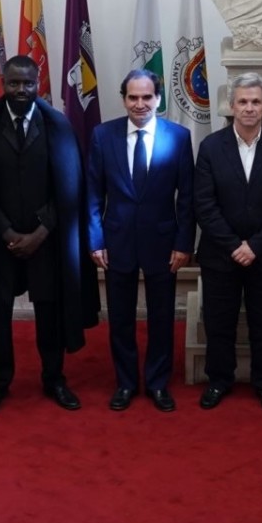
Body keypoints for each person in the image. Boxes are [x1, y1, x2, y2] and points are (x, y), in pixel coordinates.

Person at [0, 55, 101, 415]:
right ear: (3, 82)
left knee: (50, 310)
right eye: (14, 83)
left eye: (27, 84)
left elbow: (68, 185)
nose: (20, 90)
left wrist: (42, 230)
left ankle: (54, 378)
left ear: (38, 83)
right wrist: (6, 231)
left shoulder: (58, 126)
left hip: (46, 239)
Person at [87, 69, 195, 412]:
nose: (140, 104)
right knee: (120, 317)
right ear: (123, 99)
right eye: (133, 97)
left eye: (147, 97)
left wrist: (183, 244)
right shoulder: (103, 136)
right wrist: (95, 240)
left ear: (158, 99)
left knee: (162, 317)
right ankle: (126, 383)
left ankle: (159, 383)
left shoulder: (178, 137)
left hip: (163, 243)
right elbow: (92, 195)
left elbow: (187, 198)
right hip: (116, 242)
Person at [192, 72, 262, 413]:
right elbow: (204, 205)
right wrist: (234, 245)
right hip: (220, 256)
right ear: (231, 106)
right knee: (218, 322)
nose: (249, 108)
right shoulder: (211, 147)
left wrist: (255, 246)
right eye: (243, 102)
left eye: (255, 102)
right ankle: (219, 380)